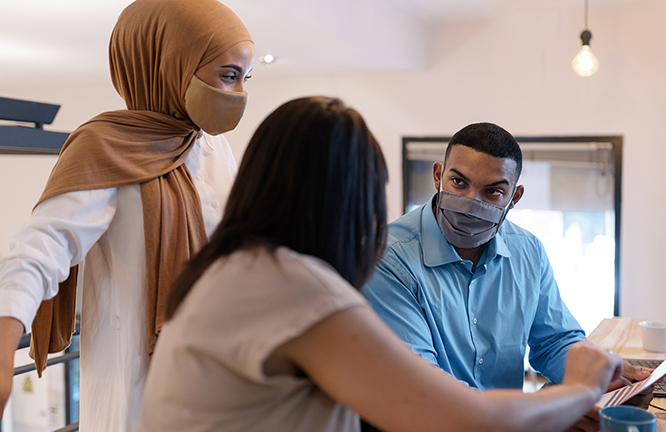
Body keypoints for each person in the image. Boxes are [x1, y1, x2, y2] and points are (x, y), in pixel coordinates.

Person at [136, 96, 624, 432]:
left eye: (491, 191)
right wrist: (580, 392)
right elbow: (456, 417)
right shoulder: (294, 288)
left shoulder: (239, 268)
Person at [0, 0, 255, 430]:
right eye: (228, 76)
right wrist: (5, 342)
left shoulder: (214, 148)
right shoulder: (105, 149)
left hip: (222, 378)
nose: (240, 95)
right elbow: (39, 251)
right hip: (139, 396)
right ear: (167, 64)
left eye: (247, 78)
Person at [360, 123, 651, 430]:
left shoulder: (528, 251)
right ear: (438, 175)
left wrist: (603, 379)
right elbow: (423, 388)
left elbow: (554, 341)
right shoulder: (387, 257)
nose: (472, 201)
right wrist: (555, 409)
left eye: (493, 191)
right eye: (459, 182)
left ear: (515, 196)